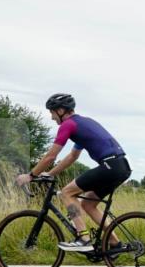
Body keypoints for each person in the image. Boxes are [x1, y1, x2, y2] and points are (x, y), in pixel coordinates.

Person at [16, 94, 131, 252]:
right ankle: (114, 243)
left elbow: (51, 156)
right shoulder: (82, 123)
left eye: (52, 113)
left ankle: (83, 239)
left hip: (109, 166)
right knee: (88, 204)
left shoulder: (68, 125)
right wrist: (49, 173)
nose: (51, 117)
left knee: (66, 193)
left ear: (61, 110)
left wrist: (31, 175)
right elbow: (72, 156)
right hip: (121, 167)